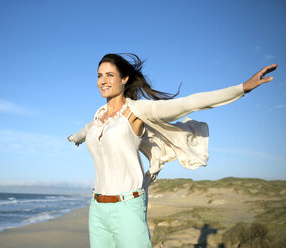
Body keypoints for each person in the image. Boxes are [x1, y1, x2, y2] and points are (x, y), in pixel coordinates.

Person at [67, 53, 277, 248]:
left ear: (124, 79)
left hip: (127, 207)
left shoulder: (136, 111)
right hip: (97, 209)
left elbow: (188, 103)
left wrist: (242, 88)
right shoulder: (98, 118)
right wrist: (75, 138)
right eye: (99, 76)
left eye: (110, 75)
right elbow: (84, 132)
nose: (103, 81)